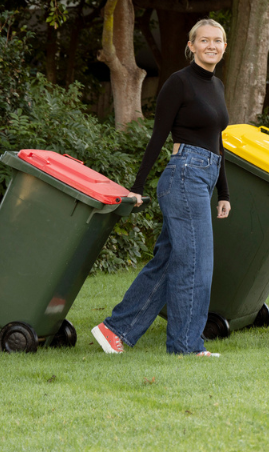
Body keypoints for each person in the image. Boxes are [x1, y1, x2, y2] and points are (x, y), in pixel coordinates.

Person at [92, 19, 231, 357]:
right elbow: (158, 136)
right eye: (205, 40)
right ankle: (185, 346)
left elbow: (218, 141)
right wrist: (137, 186)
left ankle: (115, 329)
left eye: (218, 40)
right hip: (184, 176)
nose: (212, 45)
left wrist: (224, 192)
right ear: (192, 44)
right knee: (196, 263)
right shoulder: (178, 83)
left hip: (204, 176)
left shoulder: (218, 86)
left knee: (171, 261)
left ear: (224, 46)